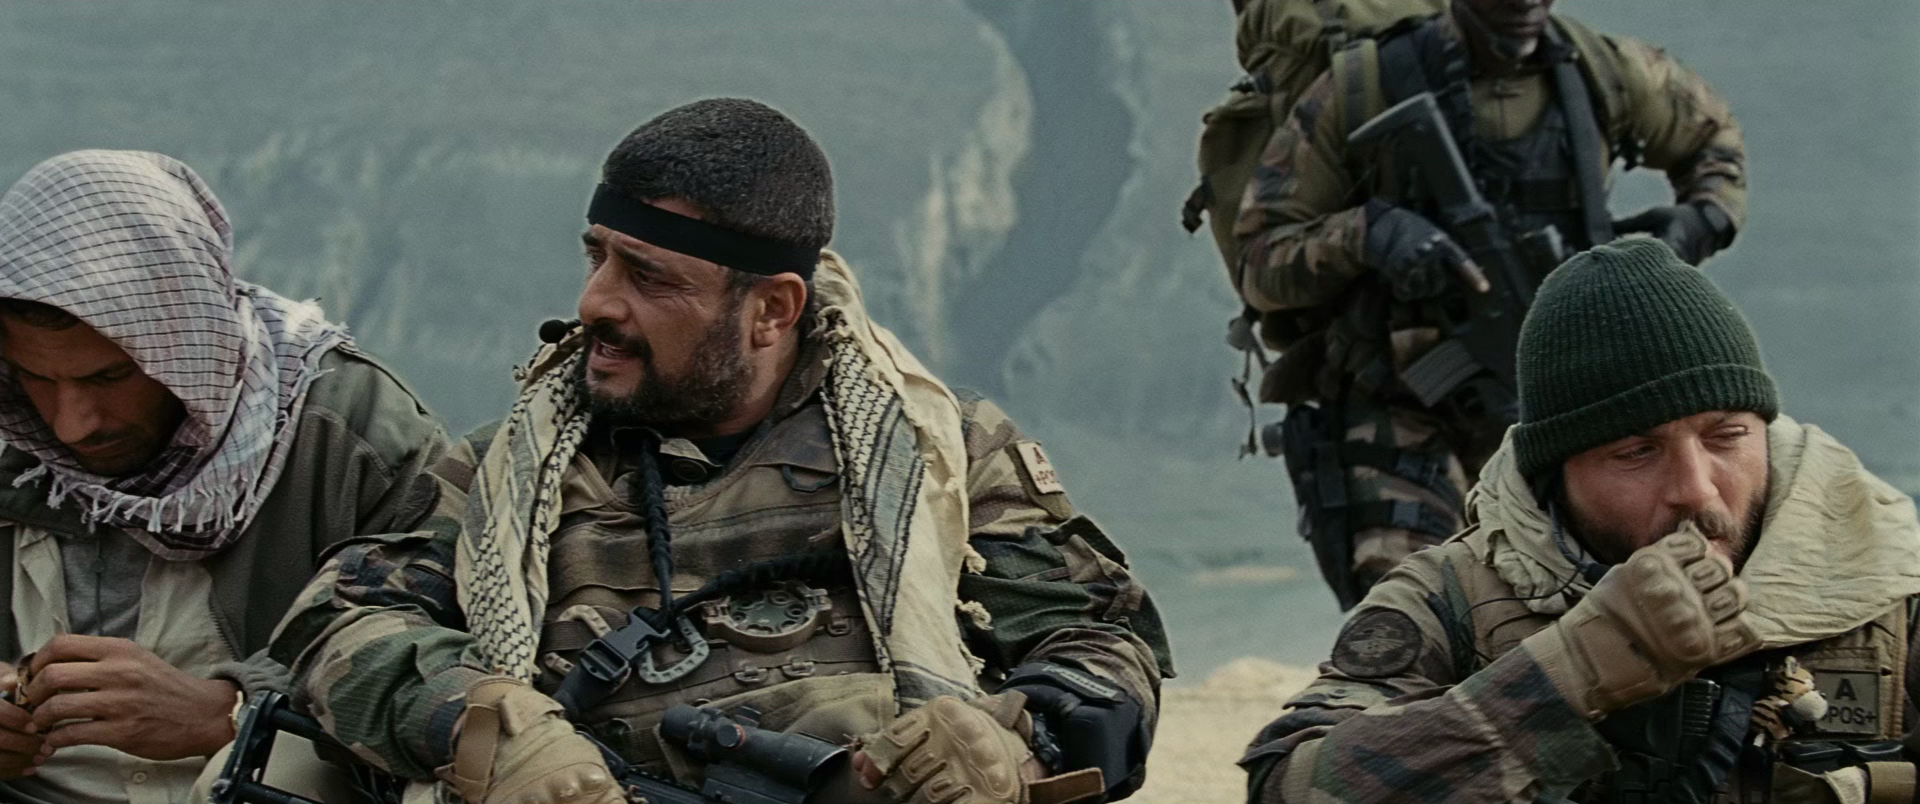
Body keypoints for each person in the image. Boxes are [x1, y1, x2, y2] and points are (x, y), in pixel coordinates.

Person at [268, 98, 1172, 804]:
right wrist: (488, 727)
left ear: (771, 309)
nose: (595, 303)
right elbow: (341, 625)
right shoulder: (510, 470)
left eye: (647, 277)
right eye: (597, 257)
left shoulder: (940, 453)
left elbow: (1101, 640)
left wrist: (1016, 741)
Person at [1240, 237, 1920, 803]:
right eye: (1636, 452)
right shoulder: (1459, 596)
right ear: (1559, 473)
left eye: (1725, 437)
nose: (1695, 489)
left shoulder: (1886, 583)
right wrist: (1563, 676)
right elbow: (1289, 788)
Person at [1234, 0, 1748, 608]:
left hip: (1557, 415)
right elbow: (1261, 258)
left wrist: (1698, 223)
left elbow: (1715, 141)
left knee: (1605, 614)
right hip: (1401, 410)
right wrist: (1369, 234)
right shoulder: (1365, 83)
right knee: (1412, 616)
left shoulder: (1603, 71)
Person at [0, 150, 451, 804]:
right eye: (37, 378)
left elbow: (442, 665)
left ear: (189, 342)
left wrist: (232, 712)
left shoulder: (356, 440)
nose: (72, 425)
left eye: (109, 377)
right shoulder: (12, 427)